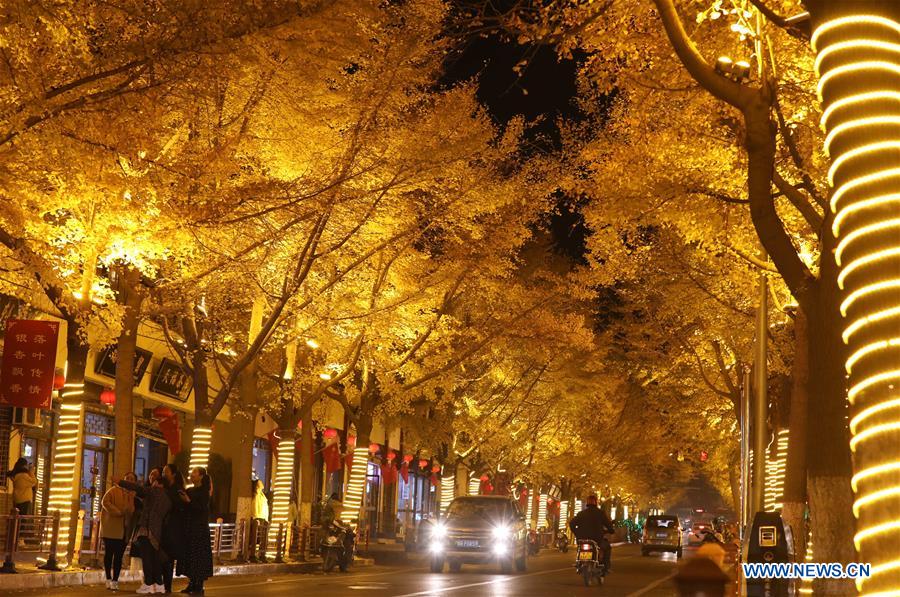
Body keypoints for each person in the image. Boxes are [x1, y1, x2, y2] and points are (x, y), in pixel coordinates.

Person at [120, 467, 171, 594]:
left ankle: (148, 584)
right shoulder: (167, 498)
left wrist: (120, 482)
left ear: (158, 483)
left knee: (147, 558)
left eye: (155, 481)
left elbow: (138, 489)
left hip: (146, 530)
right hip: (157, 532)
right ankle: (159, 584)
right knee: (155, 559)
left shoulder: (153, 491)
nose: (152, 482)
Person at [179, 467, 213, 595]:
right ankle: (192, 582)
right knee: (190, 556)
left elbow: (201, 509)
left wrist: (189, 502)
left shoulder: (204, 492)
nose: (192, 475)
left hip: (200, 529)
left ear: (201, 476)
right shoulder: (189, 490)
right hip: (189, 528)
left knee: (199, 556)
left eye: (195, 473)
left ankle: (199, 584)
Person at [101, 472, 136, 591]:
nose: (129, 481)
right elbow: (105, 502)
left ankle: (115, 580)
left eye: (132, 479)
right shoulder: (113, 490)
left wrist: (131, 498)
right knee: (109, 554)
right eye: (127, 478)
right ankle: (108, 578)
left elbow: (131, 511)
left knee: (118, 556)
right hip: (111, 528)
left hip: (124, 531)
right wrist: (118, 512)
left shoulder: (133, 494)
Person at [569, 494, 615, 572]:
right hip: (597, 539)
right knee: (607, 547)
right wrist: (611, 530)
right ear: (596, 502)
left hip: (582, 538)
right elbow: (608, 524)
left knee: (580, 547)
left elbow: (572, 524)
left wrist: (577, 533)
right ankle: (606, 566)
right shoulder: (600, 513)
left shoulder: (581, 513)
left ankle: (579, 562)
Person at [161, 464, 188, 594]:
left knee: (168, 557)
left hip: (173, 528)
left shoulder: (178, 490)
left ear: (173, 474)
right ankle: (163, 584)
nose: (163, 474)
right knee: (163, 557)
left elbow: (180, 507)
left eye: (166, 471)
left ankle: (167, 586)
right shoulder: (164, 488)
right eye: (163, 471)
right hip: (164, 526)